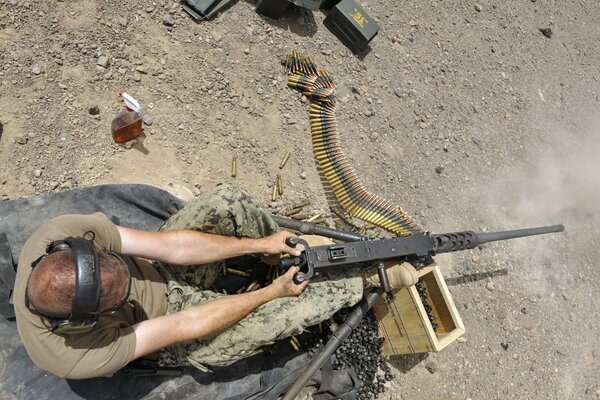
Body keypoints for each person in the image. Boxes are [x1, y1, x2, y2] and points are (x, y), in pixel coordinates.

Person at [14, 183, 418, 379]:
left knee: (226, 202)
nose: (130, 289)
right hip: (166, 328)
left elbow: (172, 249)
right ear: (88, 319)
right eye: (119, 297)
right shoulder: (72, 355)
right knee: (282, 315)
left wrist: (260, 242)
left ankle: (280, 251)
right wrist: (270, 293)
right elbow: (184, 325)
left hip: (162, 270)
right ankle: (366, 278)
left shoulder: (61, 235)